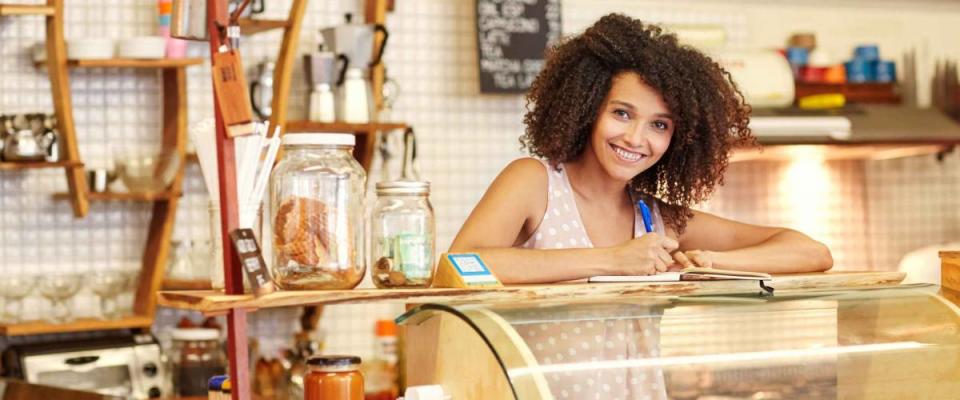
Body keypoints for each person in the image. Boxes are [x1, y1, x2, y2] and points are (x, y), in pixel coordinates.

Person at [450, 14, 833, 285]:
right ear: (587, 108)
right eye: (621, 113)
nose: (636, 138)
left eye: (660, 125)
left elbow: (812, 252)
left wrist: (711, 262)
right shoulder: (534, 183)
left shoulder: (654, 216)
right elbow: (458, 266)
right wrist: (612, 260)